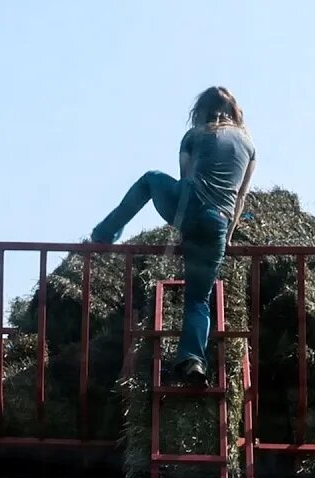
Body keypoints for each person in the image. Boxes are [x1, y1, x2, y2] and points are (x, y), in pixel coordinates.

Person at [88, 86, 256, 385]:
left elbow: (185, 178)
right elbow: (240, 197)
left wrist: (182, 226)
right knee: (198, 299)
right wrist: (227, 238)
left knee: (151, 178)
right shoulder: (248, 145)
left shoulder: (196, 135)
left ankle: (103, 235)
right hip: (218, 222)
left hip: (190, 206)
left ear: (202, 111)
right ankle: (192, 360)